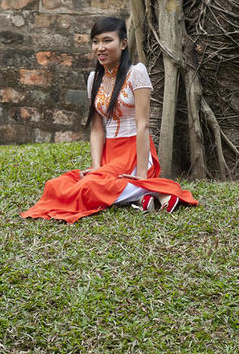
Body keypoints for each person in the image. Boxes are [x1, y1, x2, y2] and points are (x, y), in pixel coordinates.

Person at [21, 16, 197, 223]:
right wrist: (96, 167)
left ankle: (154, 189)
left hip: (134, 152)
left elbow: (143, 125)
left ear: (123, 44)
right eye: (95, 41)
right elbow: (97, 128)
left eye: (107, 41)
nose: (100, 47)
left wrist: (141, 174)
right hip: (110, 155)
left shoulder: (136, 73)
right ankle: (146, 195)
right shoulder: (94, 79)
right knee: (57, 184)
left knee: (89, 187)